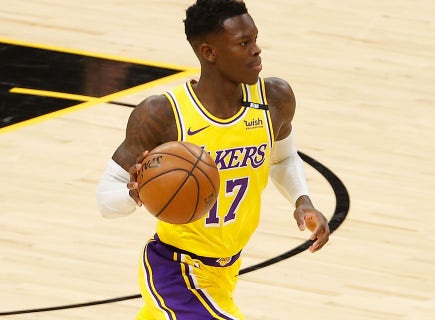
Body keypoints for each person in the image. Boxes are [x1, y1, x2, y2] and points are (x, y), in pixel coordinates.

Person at [96, 0, 330, 318]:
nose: (257, 50)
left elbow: (282, 159)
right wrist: (132, 194)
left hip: (227, 271)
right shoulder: (163, 113)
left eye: (256, 39)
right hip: (175, 270)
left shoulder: (274, 99)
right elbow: (106, 198)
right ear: (209, 53)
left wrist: (302, 200)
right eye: (243, 44)